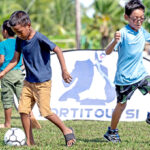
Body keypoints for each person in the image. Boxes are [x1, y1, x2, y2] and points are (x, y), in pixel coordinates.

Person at [0, 11, 76, 146]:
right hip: (28, 82)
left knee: (45, 112)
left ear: (28, 25)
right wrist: (3, 72)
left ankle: (66, 130)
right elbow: (15, 59)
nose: (18, 34)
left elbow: (57, 50)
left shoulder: (39, 38)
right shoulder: (19, 40)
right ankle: (30, 142)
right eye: (15, 32)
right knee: (23, 111)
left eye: (19, 31)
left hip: (43, 83)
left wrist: (64, 71)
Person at [103, 0, 150, 142]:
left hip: (141, 74)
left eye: (142, 18)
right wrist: (114, 41)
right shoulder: (122, 33)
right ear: (126, 17)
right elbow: (107, 52)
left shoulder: (142, 31)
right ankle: (111, 132)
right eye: (135, 18)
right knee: (121, 105)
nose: (139, 21)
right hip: (125, 78)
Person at [0, 20, 41, 129]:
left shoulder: (2, 44)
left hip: (6, 73)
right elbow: (22, 61)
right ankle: (31, 117)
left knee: (7, 98)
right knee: (23, 98)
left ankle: (7, 123)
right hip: (19, 73)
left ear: (4, 31)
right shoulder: (20, 42)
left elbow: (1, 60)